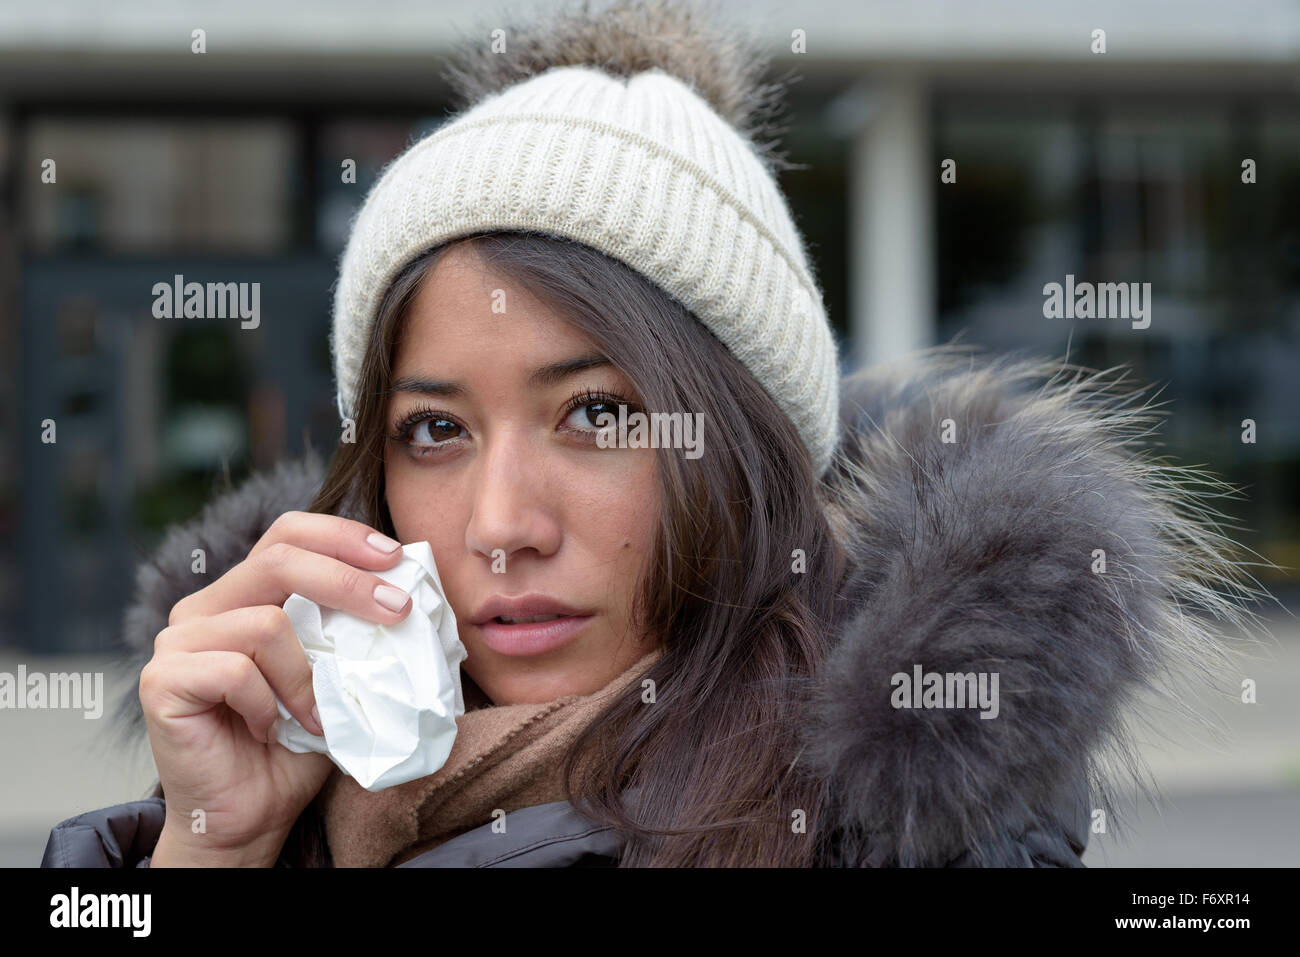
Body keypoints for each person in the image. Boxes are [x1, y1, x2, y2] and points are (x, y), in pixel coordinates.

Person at [42, 0, 1261, 868]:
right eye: (433, 429)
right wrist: (213, 850)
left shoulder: (906, 831)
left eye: (600, 413)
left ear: (748, 444)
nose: (503, 525)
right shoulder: (292, 774)